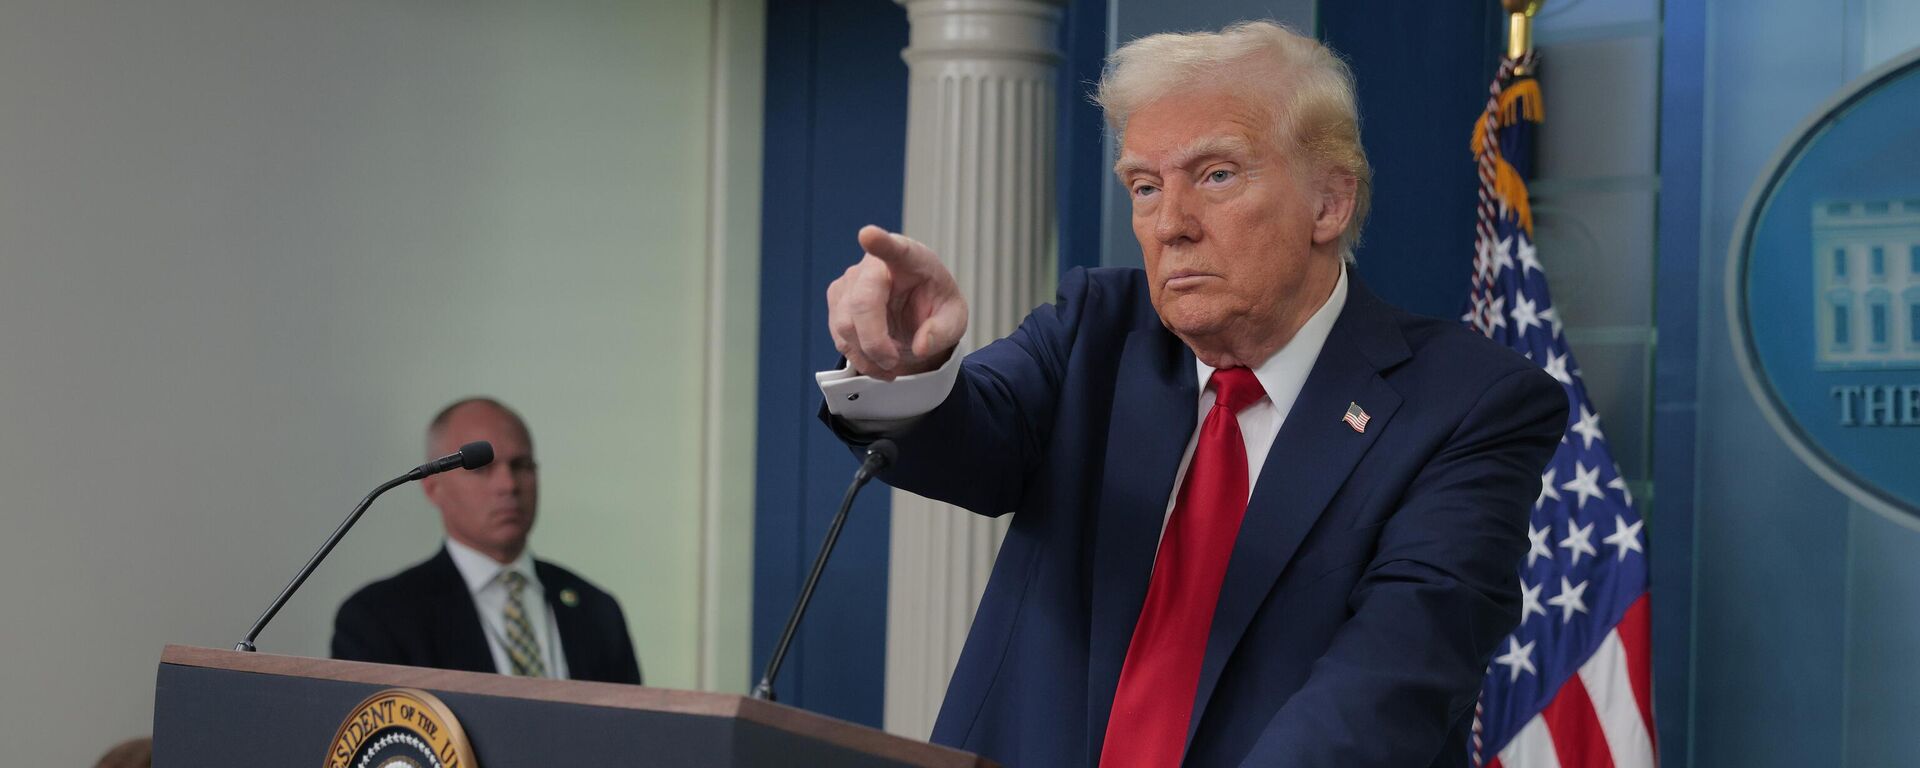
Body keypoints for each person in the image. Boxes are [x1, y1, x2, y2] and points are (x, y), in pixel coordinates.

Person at [817, 21, 1567, 768]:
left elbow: (1394, 680)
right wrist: (907, 367)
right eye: (1145, 187)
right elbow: (967, 442)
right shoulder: (1095, 333)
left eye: (1216, 176)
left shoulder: (1467, 404)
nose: (1170, 225)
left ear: (1330, 203)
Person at [331, 398, 642, 685]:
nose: (508, 485)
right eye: (482, 468)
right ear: (432, 488)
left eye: (521, 466)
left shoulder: (596, 610)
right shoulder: (380, 618)